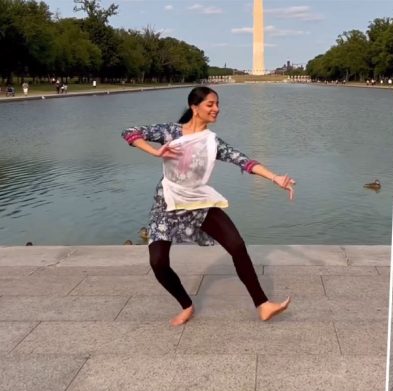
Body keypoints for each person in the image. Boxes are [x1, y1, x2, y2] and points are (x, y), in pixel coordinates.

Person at [121, 86, 295, 326]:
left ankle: (263, 305)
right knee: (158, 263)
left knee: (237, 245)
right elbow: (129, 133)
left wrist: (275, 178)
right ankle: (186, 304)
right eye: (210, 104)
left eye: (217, 104)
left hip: (198, 202)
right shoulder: (170, 132)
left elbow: (243, 161)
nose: (216, 109)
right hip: (167, 203)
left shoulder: (213, 142)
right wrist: (154, 151)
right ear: (195, 107)